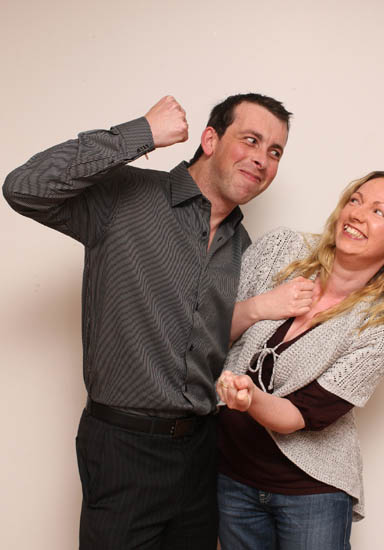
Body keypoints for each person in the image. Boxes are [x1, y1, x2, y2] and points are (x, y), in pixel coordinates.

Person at [3, 92, 291, 550]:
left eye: (274, 151)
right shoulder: (126, 196)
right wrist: (141, 133)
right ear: (211, 139)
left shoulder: (244, 248)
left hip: (201, 452)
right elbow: (24, 186)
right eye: (251, 140)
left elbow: (221, 344)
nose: (261, 159)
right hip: (123, 447)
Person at [216, 171, 384, 550]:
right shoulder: (279, 250)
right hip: (232, 475)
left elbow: (299, 417)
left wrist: (249, 398)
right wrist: (260, 307)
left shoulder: (382, 324)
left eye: (379, 212)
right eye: (355, 200)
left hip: (310, 493)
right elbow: (210, 330)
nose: (358, 214)